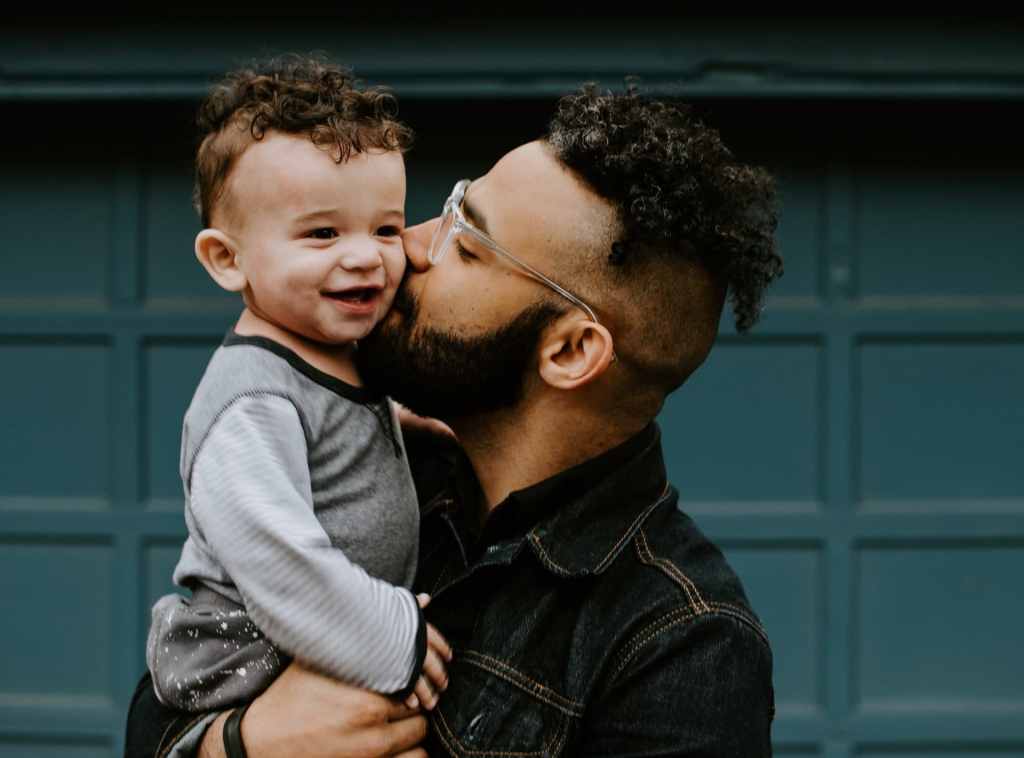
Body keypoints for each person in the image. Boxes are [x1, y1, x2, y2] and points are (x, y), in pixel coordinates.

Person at [127, 75, 783, 757]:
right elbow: (161, 702)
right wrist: (240, 745)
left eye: (467, 245)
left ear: (570, 350)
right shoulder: (375, 467)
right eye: (447, 211)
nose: (403, 247)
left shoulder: (682, 644)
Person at [144, 54, 451, 720]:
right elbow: (276, 557)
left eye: (386, 229)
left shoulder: (335, 353)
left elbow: (330, 428)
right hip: (243, 657)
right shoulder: (252, 401)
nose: (366, 255)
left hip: (315, 639)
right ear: (228, 260)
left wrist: (397, 425)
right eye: (322, 233)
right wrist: (391, 637)